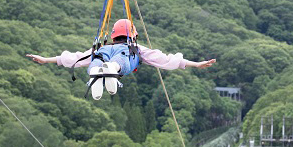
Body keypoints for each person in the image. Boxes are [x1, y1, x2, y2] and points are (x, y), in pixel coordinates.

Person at [25, 18, 215, 99]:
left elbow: (75, 58)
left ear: (114, 35)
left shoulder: (105, 46)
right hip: (121, 60)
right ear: (132, 35)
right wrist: (196, 64)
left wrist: (46, 59)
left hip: (102, 54)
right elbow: (167, 61)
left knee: (95, 60)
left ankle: (96, 73)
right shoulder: (135, 48)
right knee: (122, 61)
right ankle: (111, 69)